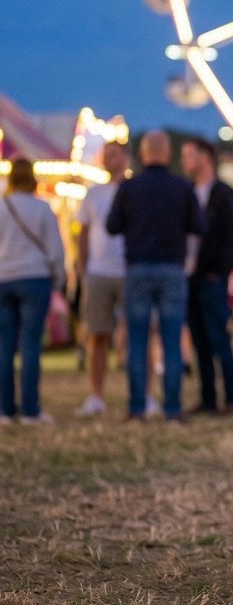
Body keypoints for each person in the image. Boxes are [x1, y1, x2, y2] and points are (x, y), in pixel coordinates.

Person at [106, 130, 202, 421]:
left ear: (143, 154)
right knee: (172, 340)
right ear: (168, 153)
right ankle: (172, 408)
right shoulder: (183, 187)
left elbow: (112, 226)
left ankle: (137, 407)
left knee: (137, 340)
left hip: (138, 268)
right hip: (172, 268)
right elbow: (199, 226)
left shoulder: (129, 188)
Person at [0, 157, 66, 425]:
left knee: (4, 347)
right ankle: (30, 409)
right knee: (30, 345)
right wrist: (59, 282)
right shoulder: (42, 209)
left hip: (4, 279)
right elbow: (55, 250)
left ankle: (4, 410)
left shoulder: (2, 207)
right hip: (35, 279)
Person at [181, 138, 233, 415]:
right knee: (199, 341)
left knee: (219, 338)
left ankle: (231, 399)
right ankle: (207, 398)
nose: (184, 161)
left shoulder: (224, 195)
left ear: (205, 157)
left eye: (189, 154)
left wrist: (220, 271)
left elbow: (230, 237)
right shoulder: (186, 193)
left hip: (212, 278)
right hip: (189, 277)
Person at [74, 138, 128, 417]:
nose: (109, 160)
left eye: (114, 155)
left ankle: (140, 395)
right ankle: (96, 395)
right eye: (106, 155)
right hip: (98, 272)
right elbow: (82, 232)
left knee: (136, 334)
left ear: (126, 158)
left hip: (129, 271)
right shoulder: (93, 194)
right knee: (97, 333)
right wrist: (84, 267)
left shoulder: (134, 191)